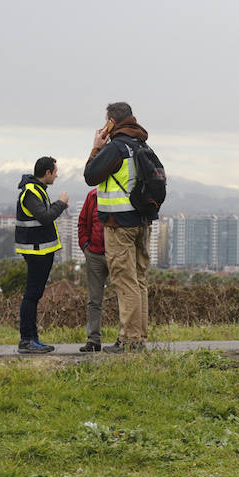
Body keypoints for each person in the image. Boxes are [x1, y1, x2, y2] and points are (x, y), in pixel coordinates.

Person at [83, 102, 158, 353]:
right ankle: (139, 338)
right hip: (142, 222)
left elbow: (90, 176)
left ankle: (129, 340)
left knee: (124, 281)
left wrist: (96, 146)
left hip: (118, 224)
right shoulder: (141, 144)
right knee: (139, 280)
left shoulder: (116, 147)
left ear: (111, 122)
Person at [15, 156, 68, 354]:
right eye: (55, 171)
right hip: (36, 251)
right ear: (47, 173)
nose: (56, 174)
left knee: (34, 295)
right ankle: (27, 340)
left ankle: (32, 339)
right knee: (31, 296)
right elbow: (45, 217)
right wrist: (61, 203)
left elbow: (41, 215)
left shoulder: (37, 190)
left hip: (41, 250)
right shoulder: (30, 192)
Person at [77, 188, 108, 352]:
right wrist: (86, 246)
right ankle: (94, 340)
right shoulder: (92, 196)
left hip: (116, 254)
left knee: (125, 296)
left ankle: (125, 338)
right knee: (94, 300)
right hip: (94, 254)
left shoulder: (120, 192)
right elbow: (82, 222)